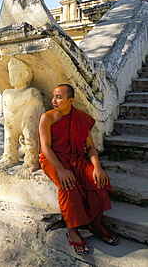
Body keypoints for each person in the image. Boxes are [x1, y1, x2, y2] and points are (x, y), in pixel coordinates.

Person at [39, 84, 119, 255]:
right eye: (53, 96)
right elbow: (45, 147)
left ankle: (96, 224)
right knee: (68, 186)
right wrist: (60, 170)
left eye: (59, 97)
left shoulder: (81, 118)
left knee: (100, 183)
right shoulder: (48, 118)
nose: (54, 100)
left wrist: (97, 167)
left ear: (71, 100)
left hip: (77, 158)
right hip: (53, 160)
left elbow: (90, 147)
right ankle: (72, 229)